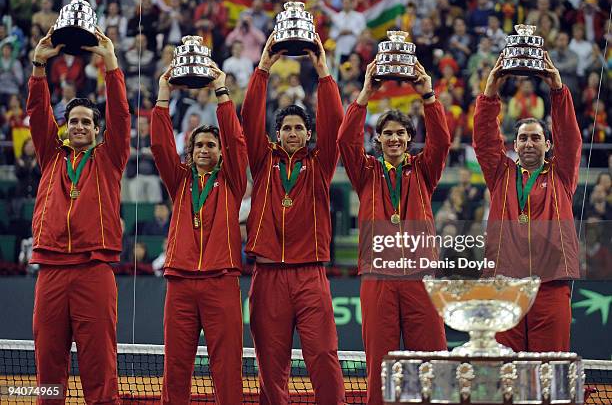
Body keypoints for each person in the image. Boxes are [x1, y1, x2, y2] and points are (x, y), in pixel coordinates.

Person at [27, 26, 130, 403]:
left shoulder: (109, 159)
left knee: (99, 364)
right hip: (51, 269)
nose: (80, 126)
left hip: (94, 270)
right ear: (65, 130)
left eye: (87, 121)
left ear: (97, 130)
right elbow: (37, 114)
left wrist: (111, 64)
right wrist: (39, 67)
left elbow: (120, 116)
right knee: (47, 365)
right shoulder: (51, 156)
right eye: (74, 122)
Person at [242, 32, 345, 405]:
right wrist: (264, 66)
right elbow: (249, 118)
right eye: (286, 128)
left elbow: (336, 123)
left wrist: (322, 69)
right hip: (268, 275)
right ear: (276, 133)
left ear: (309, 134)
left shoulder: (320, 165)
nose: (292, 133)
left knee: (323, 356)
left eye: (299, 128)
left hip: (310, 275)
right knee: (270, 366)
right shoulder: (262, 161)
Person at [337, 60, 449, 405]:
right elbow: (344, 140)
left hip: (419, 277)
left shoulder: (424, 170)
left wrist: (428, 96)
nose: (394, 139)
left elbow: (442, 142)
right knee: (379, 366)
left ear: (409, 139)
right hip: (378, 277)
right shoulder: (366, 171)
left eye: (400, 133)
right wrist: (367, 92)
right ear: (378, 139)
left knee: (431, 362)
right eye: (387, 133)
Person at [473, 52, 581, 352]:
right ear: (514, 144)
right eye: (523, 138)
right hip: (504, 286)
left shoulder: (561, 175)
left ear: (548, 144)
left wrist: (558, 90)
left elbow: (570, 137)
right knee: (505, 371)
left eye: (535, 138)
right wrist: (491, 89)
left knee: (549, 369)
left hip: (551, 285)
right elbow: (483, 139)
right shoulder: (500, 173)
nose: (529, 143)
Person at [151, 67, 246, 404]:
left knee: (227, 366)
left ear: (221, 153)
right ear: (189, 152)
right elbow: (160, 145)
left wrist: (222, 92)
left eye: (211, 145)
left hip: (221, 281)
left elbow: (236, 139)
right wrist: (163, 94)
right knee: (176, 366)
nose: (205, 149)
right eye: (199, 145)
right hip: (180, 282)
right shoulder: (179, 182)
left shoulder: (233, 182)